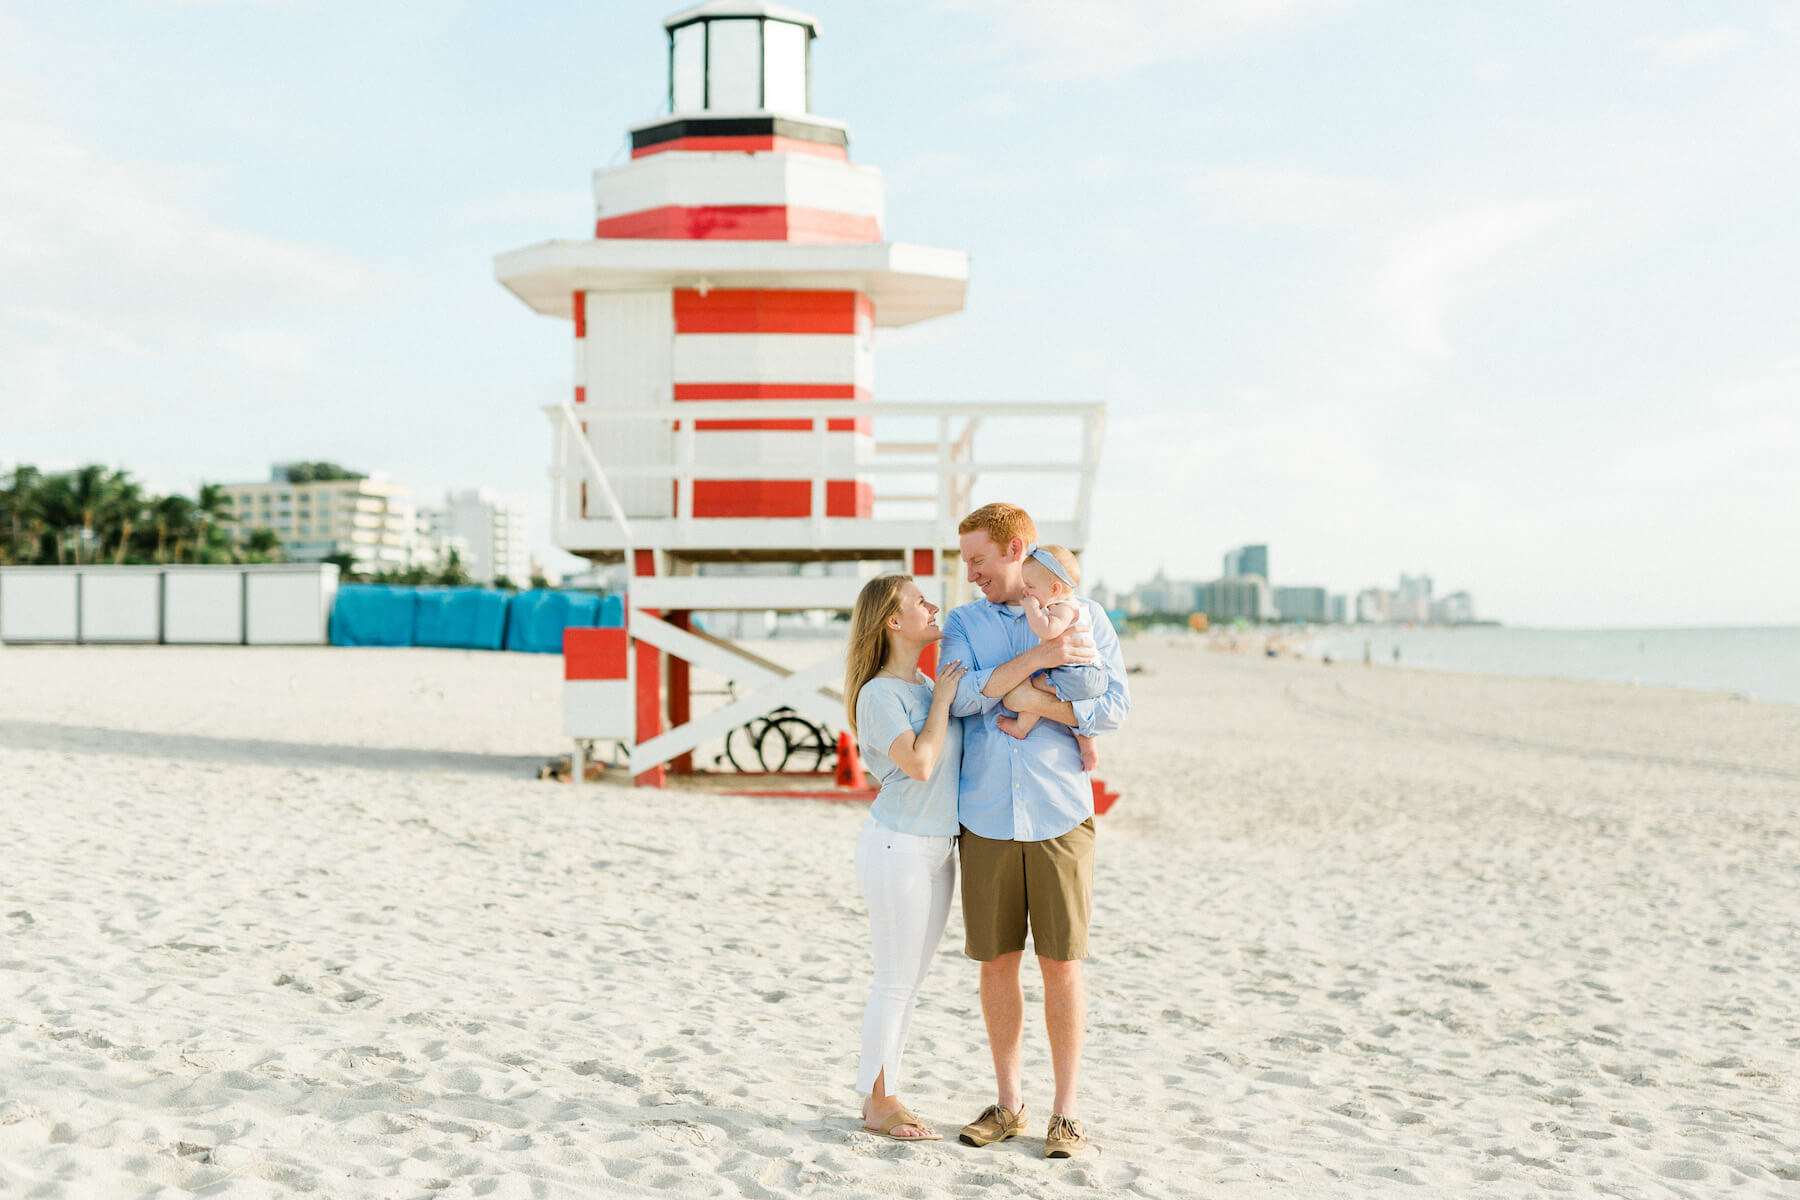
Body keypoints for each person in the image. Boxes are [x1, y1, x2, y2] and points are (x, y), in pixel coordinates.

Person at [939, 503, 1130, 1159]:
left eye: (980, 561)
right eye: (967, 564)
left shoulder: (1090, 615)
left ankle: (1067, 1114)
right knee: (996, 964)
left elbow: (1111, 710)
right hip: (985, 815)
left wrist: (1027, 697)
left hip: (1059, 815)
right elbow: (961, 696)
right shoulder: (963, 623)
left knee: (1062, 966)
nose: (971, 575)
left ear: (1016, 548)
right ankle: (1009, 1102)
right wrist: (1042, 658)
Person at [843, 574, 968, 1141]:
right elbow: (919, 763)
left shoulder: (922, 683)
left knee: (910, 983)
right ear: (893, 621)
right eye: (920, 600)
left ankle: (887, 1087)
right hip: (897, 846)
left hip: (940, 850)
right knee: (893, 982)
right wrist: (942, 701)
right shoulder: (880, 694)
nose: (932, 604)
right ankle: (878, 1102)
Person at [993, 543, 1106, 772]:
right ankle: (1088, 748)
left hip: (1076, 674)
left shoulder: (1064, 608)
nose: (1026, 592)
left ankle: (1021, 727)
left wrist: (1032, 610)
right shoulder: (1079, 607)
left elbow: (1048, 630)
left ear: (1054, 589)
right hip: (1089, 674)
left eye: (1031, 586)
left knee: (1030, 690)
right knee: (1076, 706)